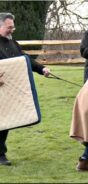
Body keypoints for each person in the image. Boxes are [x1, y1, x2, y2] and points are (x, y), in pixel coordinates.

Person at [0, 12, 50, 166]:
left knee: (4, 123)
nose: (12, 30)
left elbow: (25, 59)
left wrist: (42, 69)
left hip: (8, 92)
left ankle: (0, 154)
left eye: (13, 27)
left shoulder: (12, 43)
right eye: (9, 27)